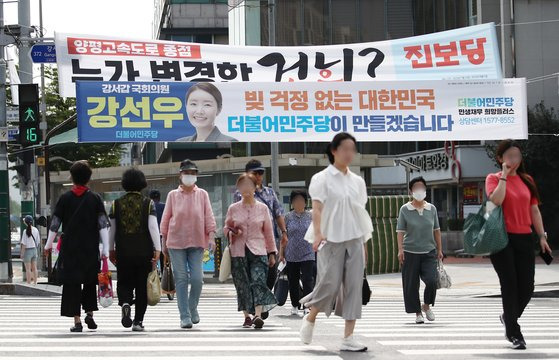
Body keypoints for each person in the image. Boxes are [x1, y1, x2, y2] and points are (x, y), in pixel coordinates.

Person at [299, 132, 373, 352]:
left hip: (355, 237)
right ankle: (311, 317)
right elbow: (318, 209)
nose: (349, 153)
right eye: (345, 149)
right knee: (329, 283)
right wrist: (319, 233)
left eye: (353, 149)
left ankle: (348, 337)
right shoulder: (322, 178)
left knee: (354, 286)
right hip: (330, 238)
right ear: (334, 151)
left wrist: (364, 244)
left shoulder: (358, 182)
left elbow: (359, 213)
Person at [486, 139, 552, 350]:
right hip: (502, 239)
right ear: (500, 159)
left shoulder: (527, 180)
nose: (514, 160)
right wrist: (504, 176)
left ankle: (508, 317)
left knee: (527, 287)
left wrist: (542, 236)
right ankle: (514, 333)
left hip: (524, 237)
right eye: (509, 156)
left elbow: (534, 210)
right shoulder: (493, 178)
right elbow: (495, 201)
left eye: (517, 156)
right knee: (510, 285)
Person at [44, 160, 110, 332]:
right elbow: (103, 225)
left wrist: (48, 244)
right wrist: (106, 249)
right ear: (88, 178)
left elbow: (55, 224)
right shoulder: (95, 198)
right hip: (90, 248)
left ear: (72, 178)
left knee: (72, 284)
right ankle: (90, 313)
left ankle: (77, 321)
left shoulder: (65, 198)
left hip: (70, 249)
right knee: (89, 281)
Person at [160, 159, 217, 329]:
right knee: (181, 279)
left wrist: (212, 236)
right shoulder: (173, 195)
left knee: (197, 279)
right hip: (176, 242)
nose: (190, 176)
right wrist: (163, 242)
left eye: (193, 173)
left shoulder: (202, 194)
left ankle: (193, 307)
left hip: (198, 242)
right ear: (180, 175)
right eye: (187, 173)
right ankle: (184, 315)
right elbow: (165, 219)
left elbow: (209, 216)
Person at [108, 168, 161, 332]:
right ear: (142, 183)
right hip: (143, 251)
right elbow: (153, 227)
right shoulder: (148, 203)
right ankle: (138, 321)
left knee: (124, 281)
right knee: (141, 287)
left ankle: (125, 302)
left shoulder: (116, 204)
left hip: (123, 250)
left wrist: (111, 249)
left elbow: (112, 230)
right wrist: (157, 249)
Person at [224, 173, 278, 329]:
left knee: (258, 282)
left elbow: (268, 232)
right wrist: (232, 232)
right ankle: (247, 316)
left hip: (259, 250)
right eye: (242, 185)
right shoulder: (233, 208)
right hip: (238, 251)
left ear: (255, 188)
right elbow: (226, 227)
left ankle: (257, 315)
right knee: (242, 284)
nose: (246, 189)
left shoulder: (263, 209)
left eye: (249, 185)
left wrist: (272, 253)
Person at [234, 159, 288, 291]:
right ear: (247, 174)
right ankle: (259, 305)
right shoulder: (239, 194)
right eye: (255, 173)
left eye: (260, 173)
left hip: (270, 240)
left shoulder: (269, 192)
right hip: (250, 242)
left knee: (271, 273)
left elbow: (278, 213)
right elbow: (235, 216)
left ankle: (263, 299)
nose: (258, 176)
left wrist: (284, 232)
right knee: (254, 274)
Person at [396, 176, 443, 324]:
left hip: (429, 251)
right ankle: (417, 313)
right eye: (416, 188)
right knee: (411, 285)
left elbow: (437, 230)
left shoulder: (432, 209)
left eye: (421, 187)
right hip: (410, 252)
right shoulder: (405, 209)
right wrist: (400, 250)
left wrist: (440, 250)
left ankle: (426, 306)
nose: (419, 190)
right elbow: (400, 231)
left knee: (431, 280)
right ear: (411, 191)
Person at [280, 189, 314, 317]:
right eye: (295, 200)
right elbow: (283, 237)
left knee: (307, 280)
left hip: (308, 253)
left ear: (305, 202)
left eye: (301, 200)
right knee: (293, 281)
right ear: (292, 203)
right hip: (291, 254)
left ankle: (307, 306)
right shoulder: (287, 217)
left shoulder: (311, 216)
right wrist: (281, 254)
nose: (298, 202)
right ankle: (295, 305)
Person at [20, 215, 40, 284]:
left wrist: (22, 254)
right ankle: (35, 283)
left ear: (25, 222)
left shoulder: (25, 231)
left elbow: (24, 244)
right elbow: (38, 242)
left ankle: (28, 283)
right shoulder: (36, 230)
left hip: (27, 251)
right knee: (34, 268)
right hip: (34, 250)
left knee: (28, 269)